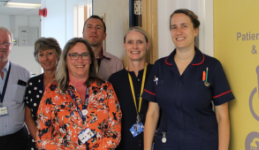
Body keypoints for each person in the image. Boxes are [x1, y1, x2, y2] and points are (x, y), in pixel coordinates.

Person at [142, 9, 235, 150]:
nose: (178, 31)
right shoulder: (160, 67)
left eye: (184, 26)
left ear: (196, 30)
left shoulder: (212, 66)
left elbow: (222, 117)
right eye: (174, 27)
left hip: (202, 145)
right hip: (168, 144)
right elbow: (152, 114)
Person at [36, 38, 122, 149]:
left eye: (85, 55)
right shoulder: (52, 91)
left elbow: (114, 132)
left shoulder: (106, 89)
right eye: (74, 55)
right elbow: (43, 136)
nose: (80, 60)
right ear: (65, 60)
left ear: (91, 59)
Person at [108, 27, 153, 150]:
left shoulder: (157, 73)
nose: (135, 47)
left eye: (140, 42)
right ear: (124, 45)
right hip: (124, 145)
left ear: (147, 44)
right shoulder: (115, 80)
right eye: (130, 42)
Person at [24, 37, 62, 150]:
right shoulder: (32, 83)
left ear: (57, 55)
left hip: (63, 144)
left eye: (50, 53)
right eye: (41, 55)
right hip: (38, 143)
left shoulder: (67, 82)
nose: (46, 58)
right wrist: (40, 141)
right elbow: (28, 116)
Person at [83, 15, 124, 80]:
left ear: (104, 36)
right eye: (89, 27)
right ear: (83, 35)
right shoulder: (74, 61)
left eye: (98, 28)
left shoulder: (116, 63)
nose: (93, 30)